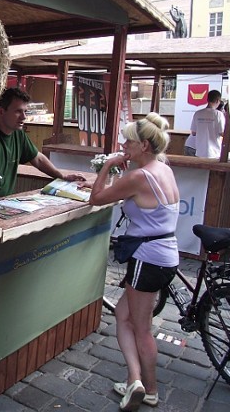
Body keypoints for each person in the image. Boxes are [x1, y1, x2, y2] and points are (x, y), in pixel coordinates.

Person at [88, 112, 179, 411]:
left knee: (141, 328)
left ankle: (147, 389)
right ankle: (134, 381)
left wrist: (108, 165)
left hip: (147, 258)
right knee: (123, 317)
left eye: (129, 141)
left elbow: (96, 198)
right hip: (167, 255)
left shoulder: (139, 176)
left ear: (145, 147)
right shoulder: (163, 167)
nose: (124, 145)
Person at [0, 88, 85, 198]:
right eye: (18, 111)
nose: (24, 117)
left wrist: (62, 176)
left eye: (25, 112)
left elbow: (38, 159)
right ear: (1, 111)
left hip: (4, 201)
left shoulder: (18, 133)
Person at [190, 89, 225, 158]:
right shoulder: (219, 114)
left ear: (207, 99)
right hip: (214, 152)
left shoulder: (197, 113)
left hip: (200, 152)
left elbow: (193, 132)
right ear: (218, 100)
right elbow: (222, 133)